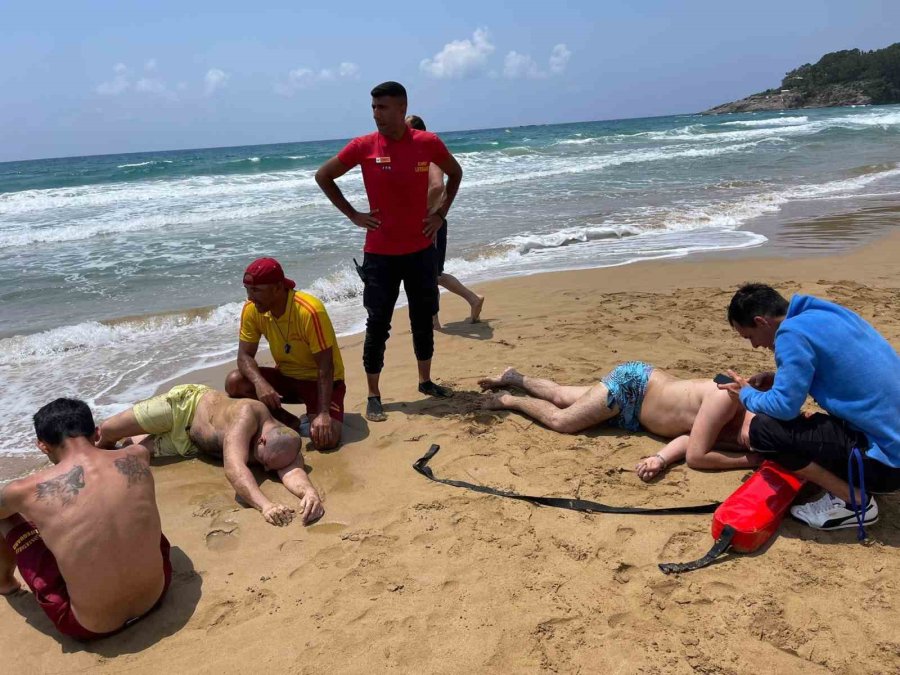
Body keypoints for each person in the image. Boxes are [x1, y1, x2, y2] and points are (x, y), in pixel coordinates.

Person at [315, 81, 464, 422]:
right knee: (378, 324)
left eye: (382, 107)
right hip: (380, 255)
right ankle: (374, 394)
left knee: (422, 317)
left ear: (401, 108)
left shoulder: (427, 143)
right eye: (373, 107)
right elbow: (323, 176)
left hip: (420, 250)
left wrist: (441, 214)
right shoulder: (363, 146)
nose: (376, 114)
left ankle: (425, 381)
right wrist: (353, 215)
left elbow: (455, 173)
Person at [721, 283, 900, 531]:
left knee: (764, 429)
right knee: (806, 422)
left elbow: (784, 408)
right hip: (892, 442)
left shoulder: (790, 333)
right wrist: (779, 378)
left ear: (761, 322)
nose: (755, 346)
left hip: (886, 466)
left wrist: (746, 395)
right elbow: (843, 367)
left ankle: (855, 502)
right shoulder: (826, 313)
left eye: (749, 337)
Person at [0, 398, 172, 640]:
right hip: (157, 594)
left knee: (6, 518)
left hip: (89, 626)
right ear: (97, 433)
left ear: (43, 446)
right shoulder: (138, 455)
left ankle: (5, 582)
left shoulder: (23, 491)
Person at [478, 363, 760, 481]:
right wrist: (751, 460)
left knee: (561, 395)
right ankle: (508, 400)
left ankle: (513, 377)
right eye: (753, 437)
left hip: (638, 409)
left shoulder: (747, 434)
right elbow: (697, 457)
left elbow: (692, 439)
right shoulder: (729, 397)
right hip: (634, 386)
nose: (748, 443)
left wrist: (661, 458)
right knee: (562, 420)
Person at [97, 385, 324, 526]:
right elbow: (234, 468)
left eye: (269, 467)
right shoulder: (246, 415)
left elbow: (291, 469)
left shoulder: (285, 443)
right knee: (108, 430)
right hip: (184, 407)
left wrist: (309, 492)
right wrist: (265, 505)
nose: (264, 469)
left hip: (190, 442)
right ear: (261, 440)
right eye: (264, 461)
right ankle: (86, 456)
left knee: (130, 451)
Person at [225, 257, 345, 450]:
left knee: (325, 440)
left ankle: (317, 413)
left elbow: (326, 366)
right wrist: (260, 383)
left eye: (256, 290)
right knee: (235, 381)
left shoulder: (309, 311)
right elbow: (244, 356)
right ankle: (285, 419)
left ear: (278, 287)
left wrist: (323, 414)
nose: (250, 297)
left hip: (319, 381)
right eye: (247, 290)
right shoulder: (252, 309)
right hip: (287, 378)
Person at [405, 114, 484, 328]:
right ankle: (435, 321)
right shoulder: (417, 154)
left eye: (407, 130)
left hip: (430, 223)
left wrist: (424, 211)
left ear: (417, 132)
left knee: (434, 275)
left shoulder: (428, 154)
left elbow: (438, 186)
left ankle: (472, 299)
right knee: (429, 275)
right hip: (430, 222)